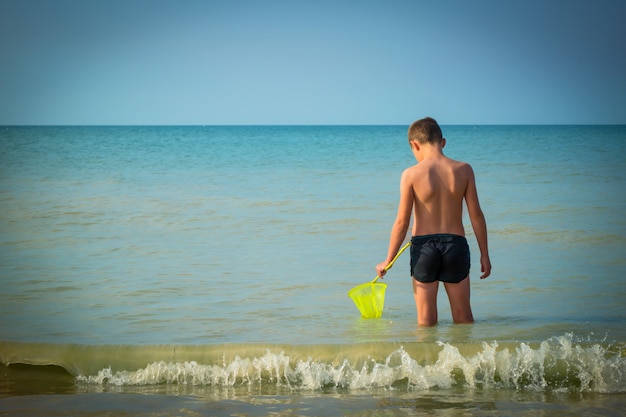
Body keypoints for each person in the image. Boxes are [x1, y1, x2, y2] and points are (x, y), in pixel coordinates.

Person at [376, 117, 491, 326]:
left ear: (414, 144)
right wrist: (485, 254)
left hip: (424, 249)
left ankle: (429, 359)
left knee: (426, 322)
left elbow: (402, 222)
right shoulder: (464, 170)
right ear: (443, 142)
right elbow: (476, 215)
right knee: (463, 317)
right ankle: (468, 357)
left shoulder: (411, 174)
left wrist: (388, 259)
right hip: (455, 245)